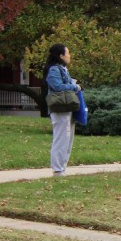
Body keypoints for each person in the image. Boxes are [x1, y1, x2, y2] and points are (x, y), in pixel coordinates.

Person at [43, 44, 81, 176]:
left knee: (67, 139)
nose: (69, 56)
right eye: (67, 53)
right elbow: (57, 87)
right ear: (61, 56)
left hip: (67, 107)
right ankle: (58, 169)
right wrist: (75, 87)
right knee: (61, 139)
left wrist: (72, 84)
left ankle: (62, 168)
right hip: (59, 108)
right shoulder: (54, 69)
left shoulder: (62, 68)